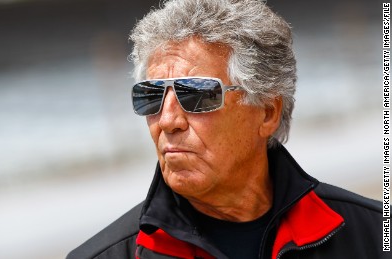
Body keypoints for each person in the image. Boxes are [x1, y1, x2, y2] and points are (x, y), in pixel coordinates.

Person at [67, 0, 388, 258]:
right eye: (150, 96)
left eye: (195, 94)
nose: (167, 120)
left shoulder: (373, 235)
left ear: (267, 112)